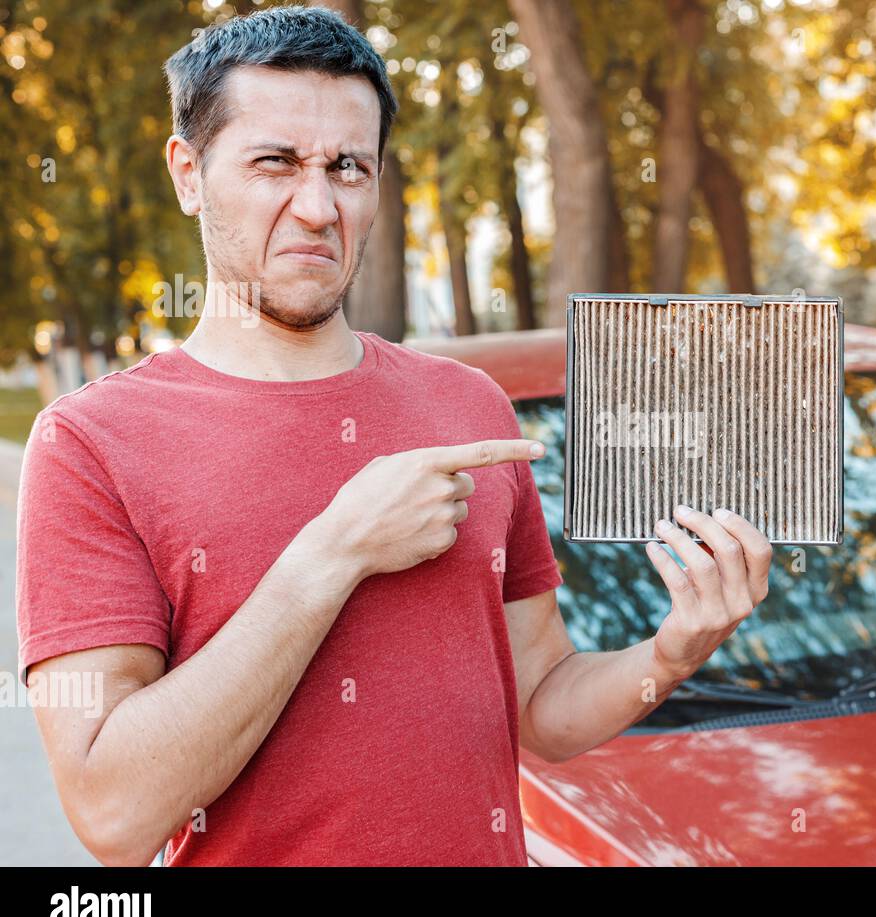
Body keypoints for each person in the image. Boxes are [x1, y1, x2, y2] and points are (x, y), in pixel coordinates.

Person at [15, 5, 772, 867]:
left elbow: (542, 707)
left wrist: (672, 652)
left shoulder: (469, 406)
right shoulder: (90, 442)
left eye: (348, 167)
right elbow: (114, 815)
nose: (317, 206)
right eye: (275, 163)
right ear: (188, 173)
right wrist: (335, 552)